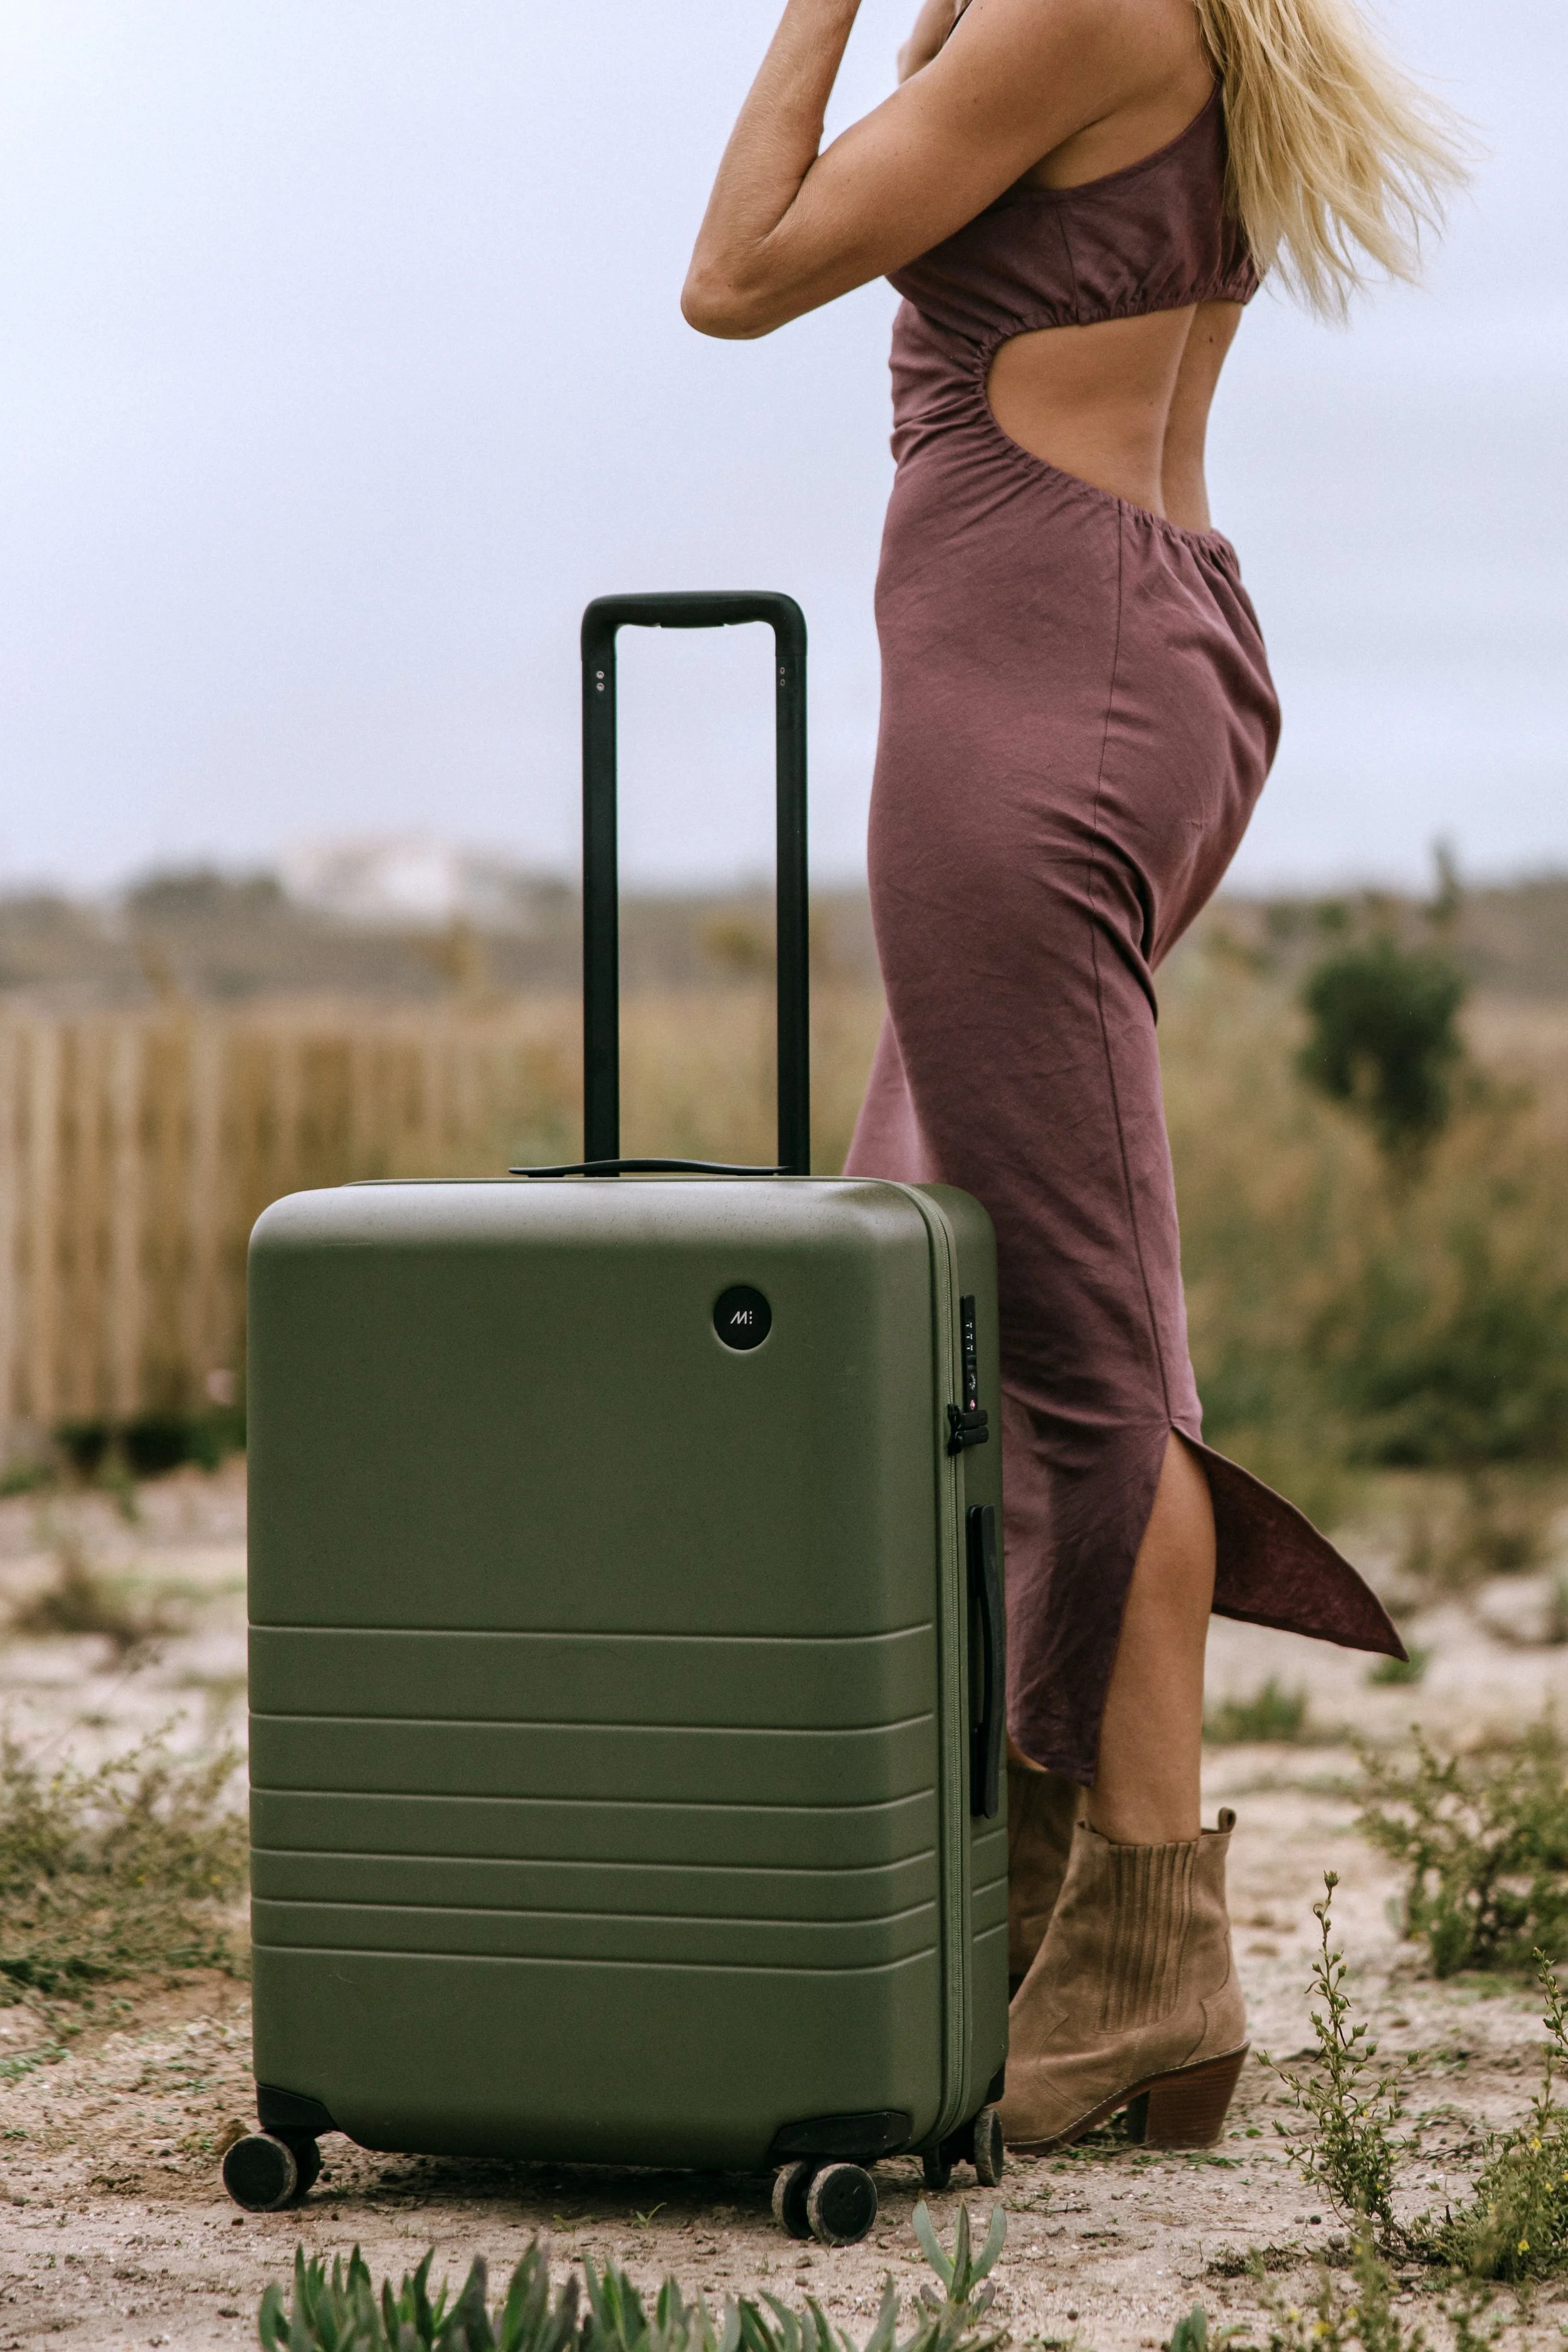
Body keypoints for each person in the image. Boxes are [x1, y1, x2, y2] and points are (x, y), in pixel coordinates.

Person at [683, 0, 1465, 2153]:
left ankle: (1148, 1939)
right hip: (1095, 654)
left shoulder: (1080, 4)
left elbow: (734, 272)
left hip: (1039, 690)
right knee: (979, 1300)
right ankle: (1038, 1888)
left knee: (1078, 1345)